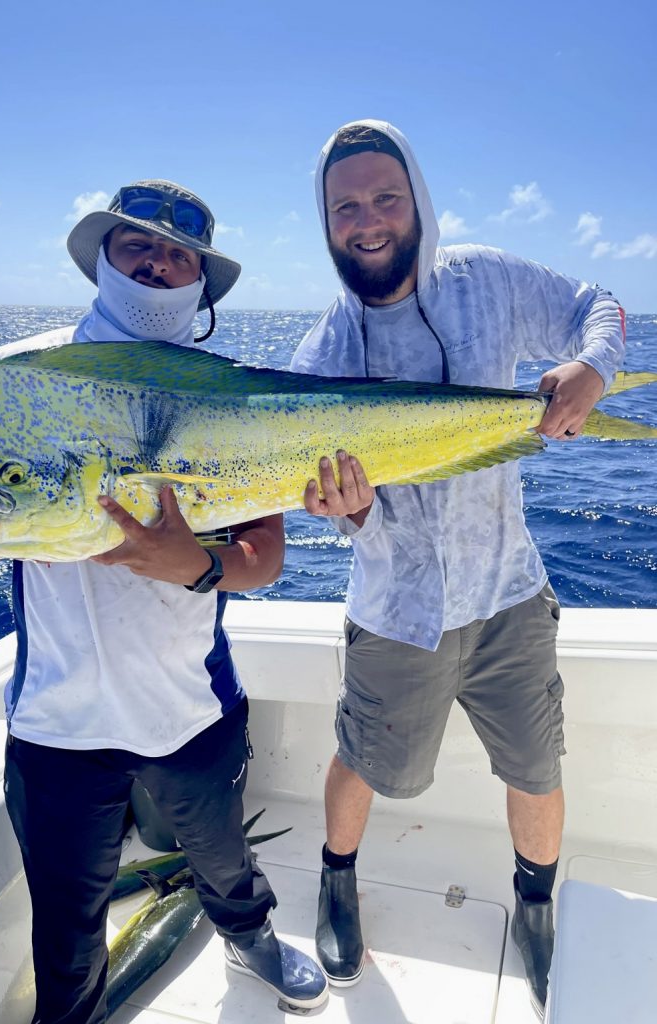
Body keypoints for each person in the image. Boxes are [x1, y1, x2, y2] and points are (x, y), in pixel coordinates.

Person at [0, 180, 328, 1023]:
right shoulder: (23, 374)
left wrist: (190, 563)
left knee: (226, 864)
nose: (157, 262)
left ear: (201, 283)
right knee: (65, 925)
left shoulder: (232, 390)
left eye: (178, 253)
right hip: (55, 722)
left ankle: (250, 938)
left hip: (189, 707)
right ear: (101, 260)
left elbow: (262, 560)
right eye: (136, 245)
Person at [290, 121, 625, 1018]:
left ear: (417, 202)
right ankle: (334, 878)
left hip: (510, 591)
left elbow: (600, 304)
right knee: (363, 758)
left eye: (385, 198)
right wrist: (344, 506)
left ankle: (534, 903)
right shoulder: (321, 358)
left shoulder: (486, 279)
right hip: (396, 610)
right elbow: (340, 512)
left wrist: (592, 368)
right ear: (324, 224)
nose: (368, 221)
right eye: (346, 207)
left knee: (536, 764)